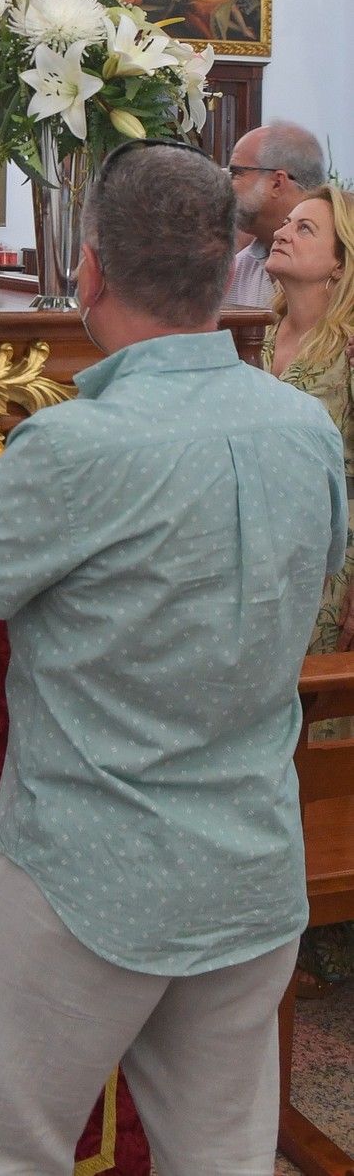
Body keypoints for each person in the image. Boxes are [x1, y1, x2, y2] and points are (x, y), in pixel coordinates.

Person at [0, 143, 346, 1176]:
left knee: (2, 1153)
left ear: (87, 271)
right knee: (223, 1161)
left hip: (86, 879)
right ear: (228, 268)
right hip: (250, 873)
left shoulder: (79, 445)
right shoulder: (302, 428)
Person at [264, 182, 354, 987]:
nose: (285, 233)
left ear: (340, 261)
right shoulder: (266, 334)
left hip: (336, 561)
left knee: (324, 724)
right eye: (287, 222)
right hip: (271, 553)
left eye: (306, 227)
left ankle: (326, 908)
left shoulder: (349, 346)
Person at [225, 121, 326, 305]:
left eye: (236, 174)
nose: (227, 185)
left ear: (277, 183)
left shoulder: (340, 269)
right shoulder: (239, 269)